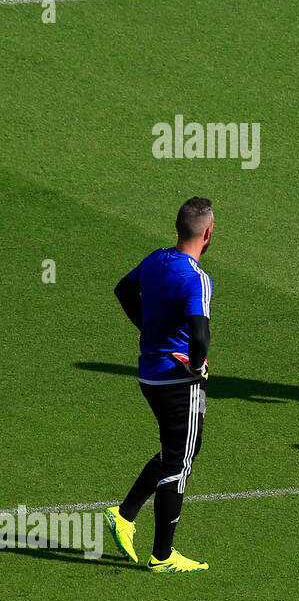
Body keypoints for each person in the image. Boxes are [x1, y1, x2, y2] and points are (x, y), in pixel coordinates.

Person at [104, 197, 215, 572]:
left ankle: (123, 515)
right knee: (180, 460)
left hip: (149, 374)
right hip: (176, 380)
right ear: (208, 232)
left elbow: (122, 289)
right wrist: (197, 367)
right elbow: (199, 334)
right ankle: (163, 556)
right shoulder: (195, 278)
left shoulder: (155, 260)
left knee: (176, 451)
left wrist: (151, 332)